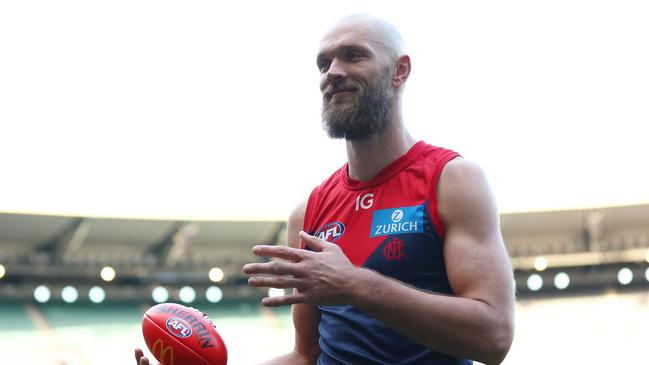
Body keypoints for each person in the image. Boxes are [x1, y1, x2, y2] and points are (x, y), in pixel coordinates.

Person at [136, 13, 514, 365]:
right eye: (324, 63)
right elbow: (306, 356)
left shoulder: (452, 180)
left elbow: (494, 336)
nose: (333, 72)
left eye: (353, 56)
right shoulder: (309, 211)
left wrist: (355, 285)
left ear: (400, 71)